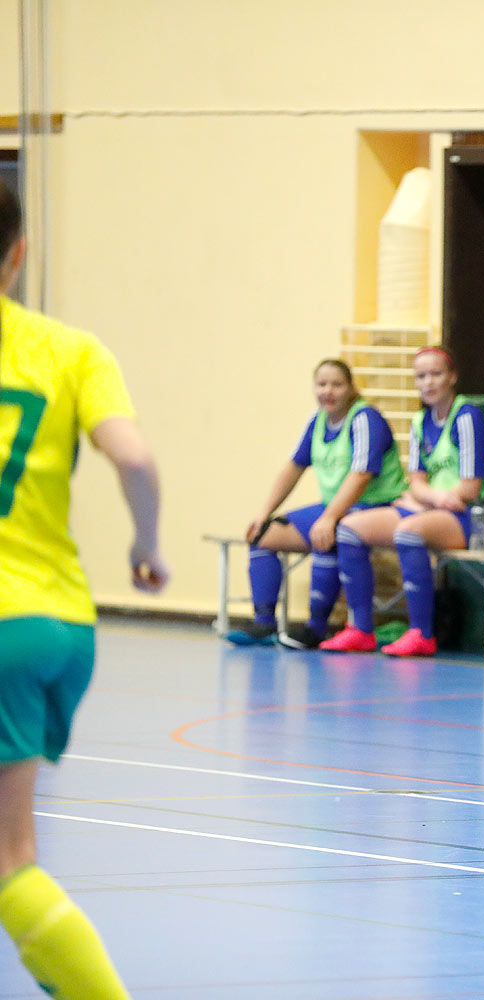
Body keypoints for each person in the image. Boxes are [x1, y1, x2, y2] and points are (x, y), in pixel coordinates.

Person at [0, 179, 168, 998]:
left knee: (8, 864)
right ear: (19, 252)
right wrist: (145, 546)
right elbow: (133, 459)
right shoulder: (70, 350)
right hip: (57, 622)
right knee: (11, 857)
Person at [322, 347, 484, 657]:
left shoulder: (467, 417)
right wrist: (432, 498)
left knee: (409, 530)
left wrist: (427, 500)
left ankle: (422, 632)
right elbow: (416, 482)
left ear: (452, 377)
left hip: (473, 516)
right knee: (349, 530)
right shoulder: (420, 421)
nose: (428, 383)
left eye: (435, 374)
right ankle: (361, 629)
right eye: (421, 376)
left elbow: (470, 488)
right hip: (434, 508)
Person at [226, 359, 406, 649]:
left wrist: (330, 517)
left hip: (374, 506)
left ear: (350, 388)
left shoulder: (365, 419)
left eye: (337, 384)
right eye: (322, 384)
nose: (328, 391)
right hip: (334, 507)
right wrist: (264, 513)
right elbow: (294, 467)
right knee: (262, 536)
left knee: (326, 535)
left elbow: (361, 475)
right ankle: (263, 624)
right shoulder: (318, 420)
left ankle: (315, 627)